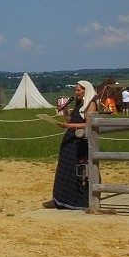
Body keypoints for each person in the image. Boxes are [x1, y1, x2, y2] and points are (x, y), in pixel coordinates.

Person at [45, 80, 98, 210]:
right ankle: (59, 199)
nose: (76, 92)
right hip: (70, 140)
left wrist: (69, 126)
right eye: (76, 90)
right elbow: (72, 119)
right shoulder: (79, 103)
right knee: (64, 170)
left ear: (86, 90)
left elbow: (88, 124)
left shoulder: (91, 104)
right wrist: (65, 113)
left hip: (81, 142)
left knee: (79, 171)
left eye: (79, 90)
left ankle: (78, 201)